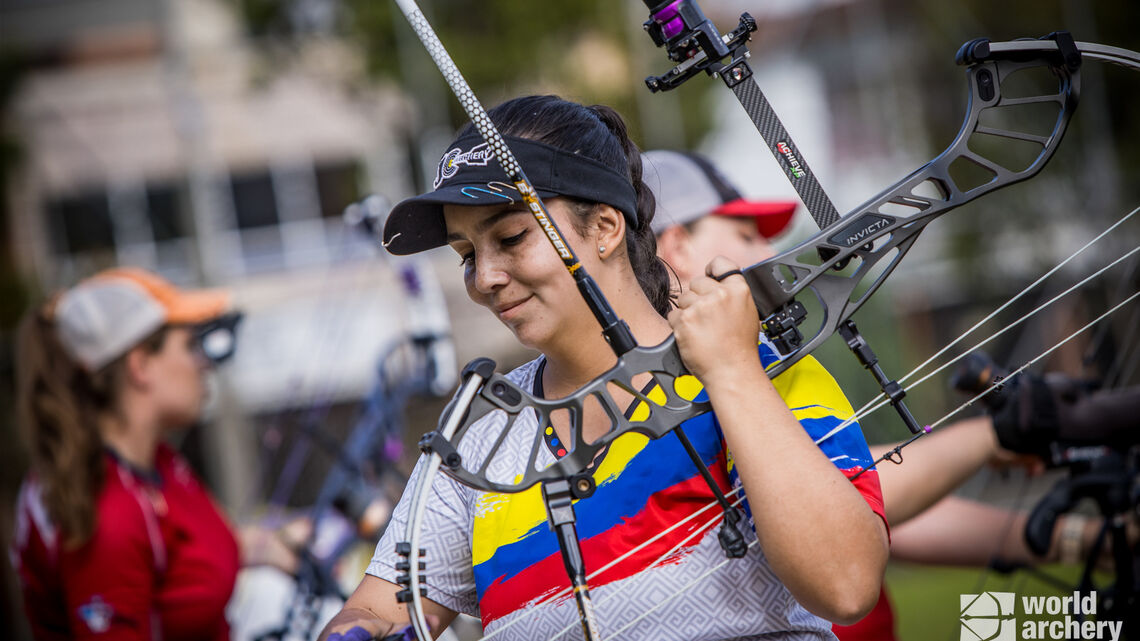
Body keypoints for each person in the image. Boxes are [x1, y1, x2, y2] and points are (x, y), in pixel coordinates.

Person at [320, 95, 889, 641]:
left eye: (511, 237)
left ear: (605, 228)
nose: (485, 278)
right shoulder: (479, 431)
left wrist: (733, 372)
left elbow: (845, 585)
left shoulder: (761, 368)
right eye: (467, 255)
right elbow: (378, 608)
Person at [641, 149, 1118, 641]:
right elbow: (827, 510)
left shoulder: (750, 372)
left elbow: (859, 505)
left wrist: (1078, 538)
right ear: (677, 246)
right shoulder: (692, 397)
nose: (768, 251)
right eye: (746, 236)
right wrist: (991, 436)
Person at [11, 267, 300, 640]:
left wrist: (269, 545)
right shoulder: (109, 514)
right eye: (190, 346)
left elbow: (182, 558)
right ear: (140, 365)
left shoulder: (153, 460)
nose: (205, 364)